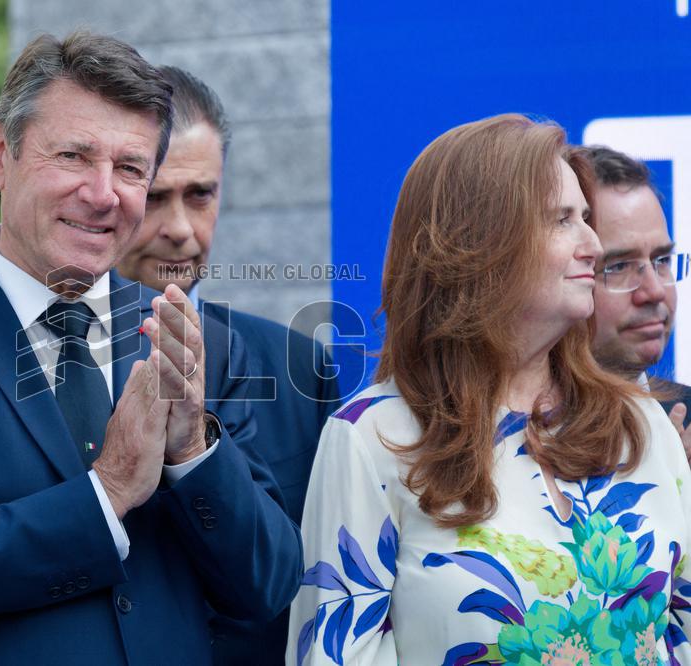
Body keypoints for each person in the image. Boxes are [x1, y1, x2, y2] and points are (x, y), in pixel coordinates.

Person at [0, 32, 302, 665]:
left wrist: (191, 450)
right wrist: (105, 494)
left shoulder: (196, 342)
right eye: (74, 156)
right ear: (1, 152)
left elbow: (267, 586)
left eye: (130, 169)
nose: (103, 193)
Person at [288, 114, 691, 664]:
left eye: (586, 218)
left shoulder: (641, 426)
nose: (593, 245)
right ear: (479, 243)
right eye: (562, 220)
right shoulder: (372, 437)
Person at [115, 66, 340, 664]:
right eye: (156, 197)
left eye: (201, 195)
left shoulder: (300, 367)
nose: (181, 230)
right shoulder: (44, 360)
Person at [583, 145, 691, 451]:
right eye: (618, 267)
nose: (654, 291)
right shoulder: (507, 437)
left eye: (662, 261)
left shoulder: (685, 420)